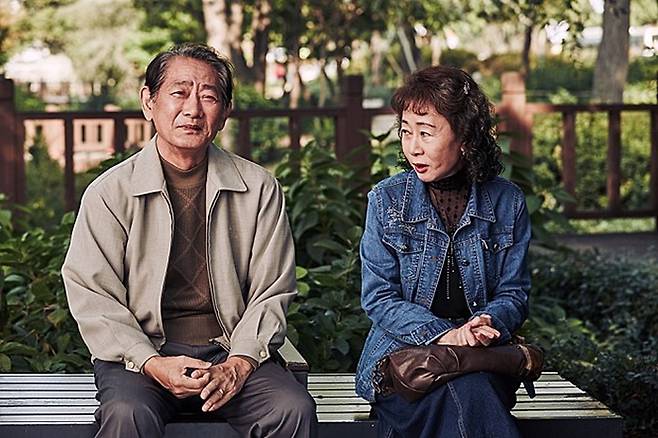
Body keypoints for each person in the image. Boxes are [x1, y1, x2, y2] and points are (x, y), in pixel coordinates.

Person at [62, 43, 317, 438]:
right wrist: (150, 361)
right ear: (149, 102)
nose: (193, 109)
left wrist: (239, 364)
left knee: (291, 409)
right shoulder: (110, 193)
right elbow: (93, 295)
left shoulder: (259, 188)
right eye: (179, 93)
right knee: (128, 414)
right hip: (142, 356)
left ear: (226, 111)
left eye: (209, 96)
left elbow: (272, 290)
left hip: (230, 348)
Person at [355, 65, 531, 438]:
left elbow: (514, 293)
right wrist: (445, 336)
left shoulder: (507, 201)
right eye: (406, 131)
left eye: (426, 132)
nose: (413, 147)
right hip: (404, 360)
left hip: (479, 358)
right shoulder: (386, 201)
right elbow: (378, 297)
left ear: (465, 137)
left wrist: (485, 325)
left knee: (467, 391)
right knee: (467, 396)